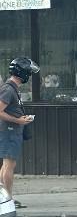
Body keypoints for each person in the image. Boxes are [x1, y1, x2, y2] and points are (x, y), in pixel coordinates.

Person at [0, 58, 39, 208]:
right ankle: (7, 200)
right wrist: (18, 120)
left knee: (6, 165)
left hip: (11, 131)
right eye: (28, 72)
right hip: (9, 131)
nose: (29, 75)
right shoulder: (9, 89)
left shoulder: (12, 88)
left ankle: (3, 197)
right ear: (21, 72)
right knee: (9, 165)